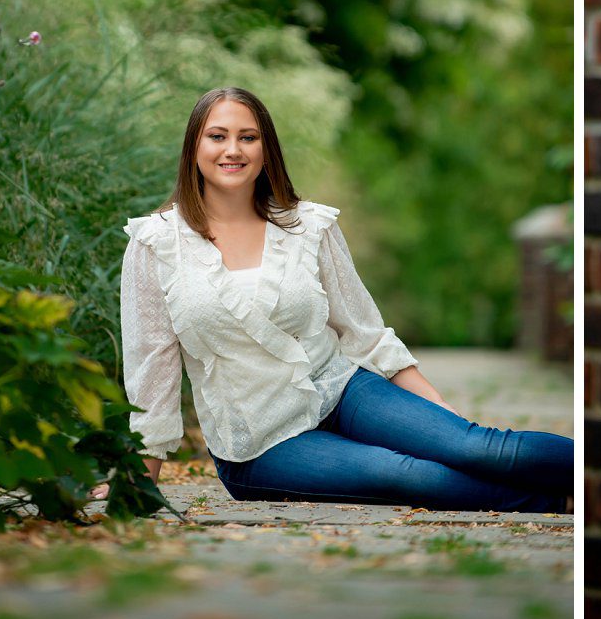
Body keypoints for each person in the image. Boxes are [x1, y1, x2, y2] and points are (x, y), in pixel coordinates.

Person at [115, 86, 574, 512]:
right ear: (194, 148)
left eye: (247, 137)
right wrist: (141, 478)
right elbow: (151, 369)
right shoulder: (156, 244)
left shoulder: (308, 226)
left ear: (265, 150)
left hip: (341, 389)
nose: (233, 150)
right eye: (218, 136)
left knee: (475, 448)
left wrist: (448, 424)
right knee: (405, 474)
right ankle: (565, 504)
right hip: (262, 443)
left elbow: (365, 332)